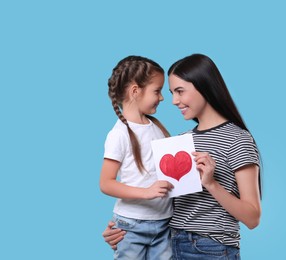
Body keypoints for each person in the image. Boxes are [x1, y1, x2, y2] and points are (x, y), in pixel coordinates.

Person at [103, 53, 262, 259]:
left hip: (211, 250)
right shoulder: (178, 142)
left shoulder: (237, 139)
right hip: (171, 242)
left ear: (203, 86)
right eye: (170, 92)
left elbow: (252, 218)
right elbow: (160, 196)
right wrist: (125, 227)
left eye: (179, 91)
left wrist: (212, 184)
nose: (173, 101)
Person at [100, 55, 174, 260]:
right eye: (157, 91)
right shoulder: (119, 134)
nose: (162, 98)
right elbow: (106, 183)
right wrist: (146, 192)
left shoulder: (157, 128)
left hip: (164, 222)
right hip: (131, 224)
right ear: (135, 91)